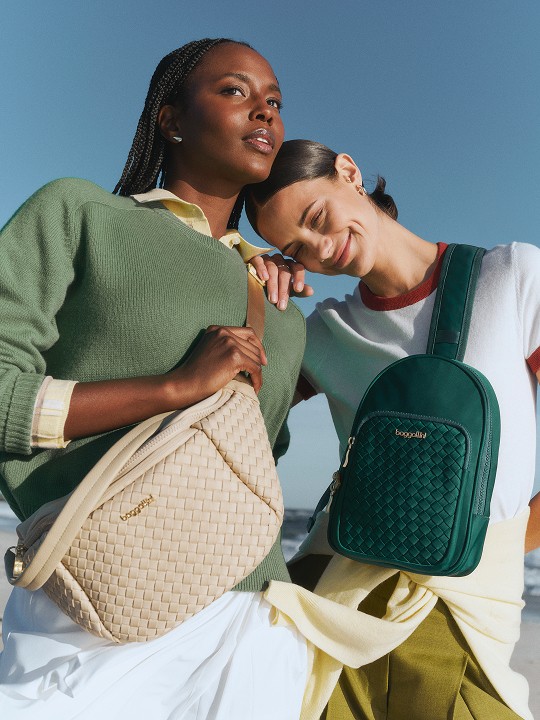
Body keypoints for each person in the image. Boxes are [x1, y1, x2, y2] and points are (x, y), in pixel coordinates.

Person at [0, 39, 309, 719]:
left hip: (253, 620)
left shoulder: (283, 306)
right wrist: (173, 388)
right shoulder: (82, 214)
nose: (265, 110)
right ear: (171, 119)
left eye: (275, 100)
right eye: (235, 90)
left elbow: (258, 457)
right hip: (92, 608)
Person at [244, 139, 540, 720]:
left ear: (349, 172)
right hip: (333, 606)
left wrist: (500, 545)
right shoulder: (324, 332)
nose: (321, 249)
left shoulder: (511, 277)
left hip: (469, 623)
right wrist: (256, 296)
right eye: (295, 248)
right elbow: (231, 415)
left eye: (317, 218)